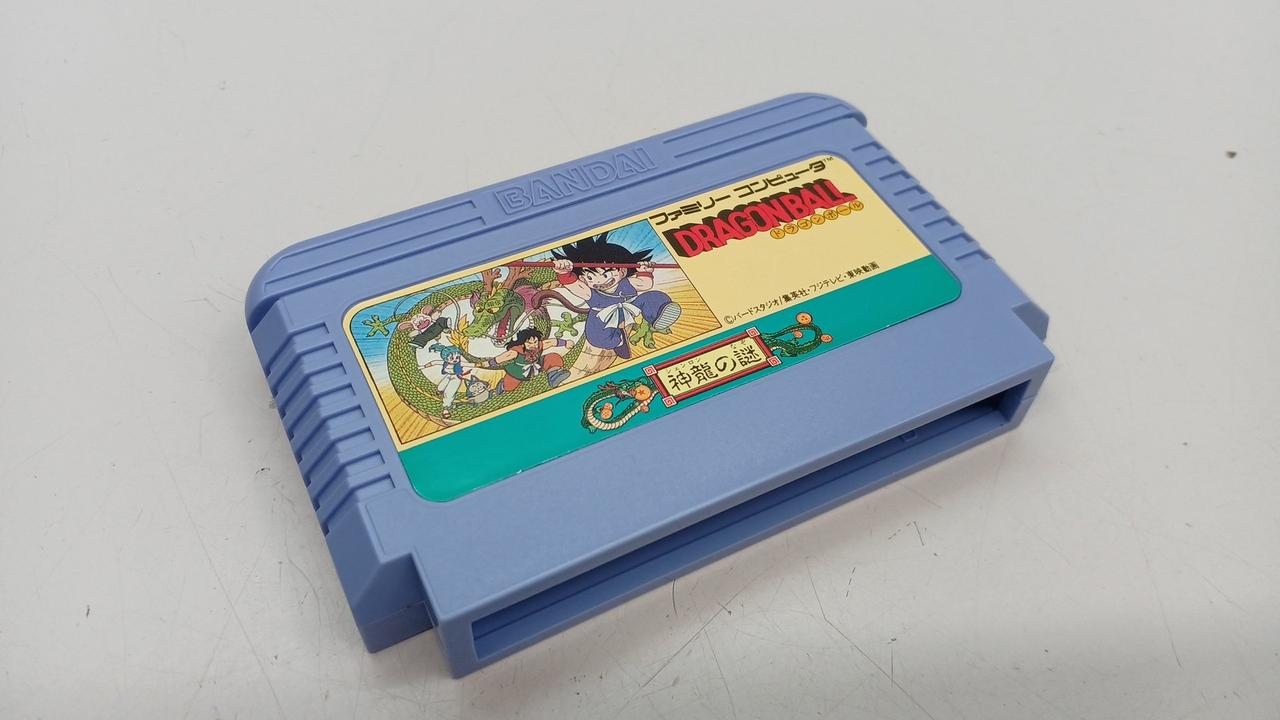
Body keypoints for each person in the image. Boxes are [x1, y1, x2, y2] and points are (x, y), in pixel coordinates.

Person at [550, 234, 681, 360]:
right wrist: (564, 272)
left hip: (630, 307)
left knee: (654, 297)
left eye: (606, 274)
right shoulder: (590, 292)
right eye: (590, 277)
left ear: (622, 271)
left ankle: (658, 315)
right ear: (583, 279)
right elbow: (574, 285)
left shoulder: (626, 284)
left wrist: (645, 273)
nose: (599, 281)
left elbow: (645, 285)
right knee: (596, 337)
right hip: (602, 317)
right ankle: (618, 341)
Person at [482, 327, 572, 393]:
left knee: (553, 358)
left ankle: (553, 376)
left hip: (537, 364)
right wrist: (489, 363)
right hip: (519, 370)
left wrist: (565, 343)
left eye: (535, 342)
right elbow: (504, 357)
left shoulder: (539, 345)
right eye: (529, 343)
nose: (533, 345)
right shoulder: (517, 351)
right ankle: (502, 385)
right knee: (509, 386)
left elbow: (551, 342)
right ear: (523, 343)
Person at [421, 343, 476, 419]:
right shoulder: (444, 363)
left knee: (449, 393)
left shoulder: (460, 363)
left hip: (456, 378)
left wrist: (484, 364)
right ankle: (440, 392)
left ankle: (446, 408)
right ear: (445, 358)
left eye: (457, 357)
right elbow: (434, 362)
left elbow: (472, 365)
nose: (455, 360)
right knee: (440, 387)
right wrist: (423, 366)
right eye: (452, 358)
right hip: (448, 376)